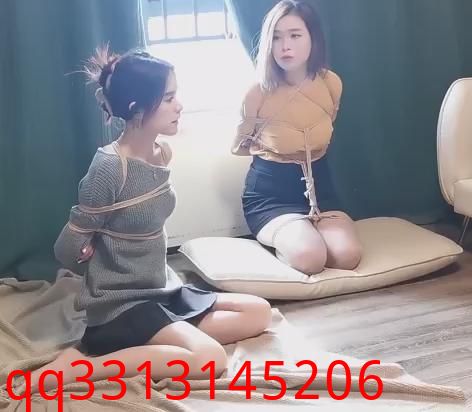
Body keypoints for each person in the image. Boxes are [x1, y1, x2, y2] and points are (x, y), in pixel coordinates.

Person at [19, 46, 272, 393]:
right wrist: (85, 250)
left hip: (161, 290)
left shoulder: (160, 152)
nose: (179, 105)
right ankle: (81, 367)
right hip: (122, 305)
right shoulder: (110, 169)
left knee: (258, 312)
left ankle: (156, 345)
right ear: (137, 108)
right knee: (211, 360)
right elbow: (65, 249)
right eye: (168, 98)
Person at [231, 0, 362, 275]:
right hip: (270, 198)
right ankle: (286, 243)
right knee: (310, 258)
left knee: (347, 256)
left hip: (322, 192)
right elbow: (241, 145)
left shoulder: (330, 82)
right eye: (276, 37)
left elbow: (327, 125)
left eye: (295, 35)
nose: (285, 46)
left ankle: (308, 233)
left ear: (313, 38)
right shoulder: (257, 92)